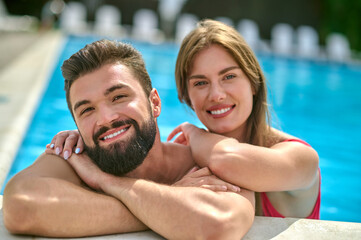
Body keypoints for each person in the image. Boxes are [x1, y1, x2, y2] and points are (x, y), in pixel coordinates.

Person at [51, 19, 320, 219]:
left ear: (253, 81)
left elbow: (228, 161)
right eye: (200, 83)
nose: (216, 95)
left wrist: (195, 134)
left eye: (229, 76)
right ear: (186, 96)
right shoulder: (193, 158)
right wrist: (89, 138)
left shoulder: (300, 157)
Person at [2, 39, 255, 239]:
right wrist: (169, 202)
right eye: (87, 110)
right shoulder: (75, 157)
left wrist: (108, 183)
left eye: (119, 97)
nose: (105, 119)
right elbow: (20, 206)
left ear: (154, 103)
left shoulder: (208, 161)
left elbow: (218, 226)